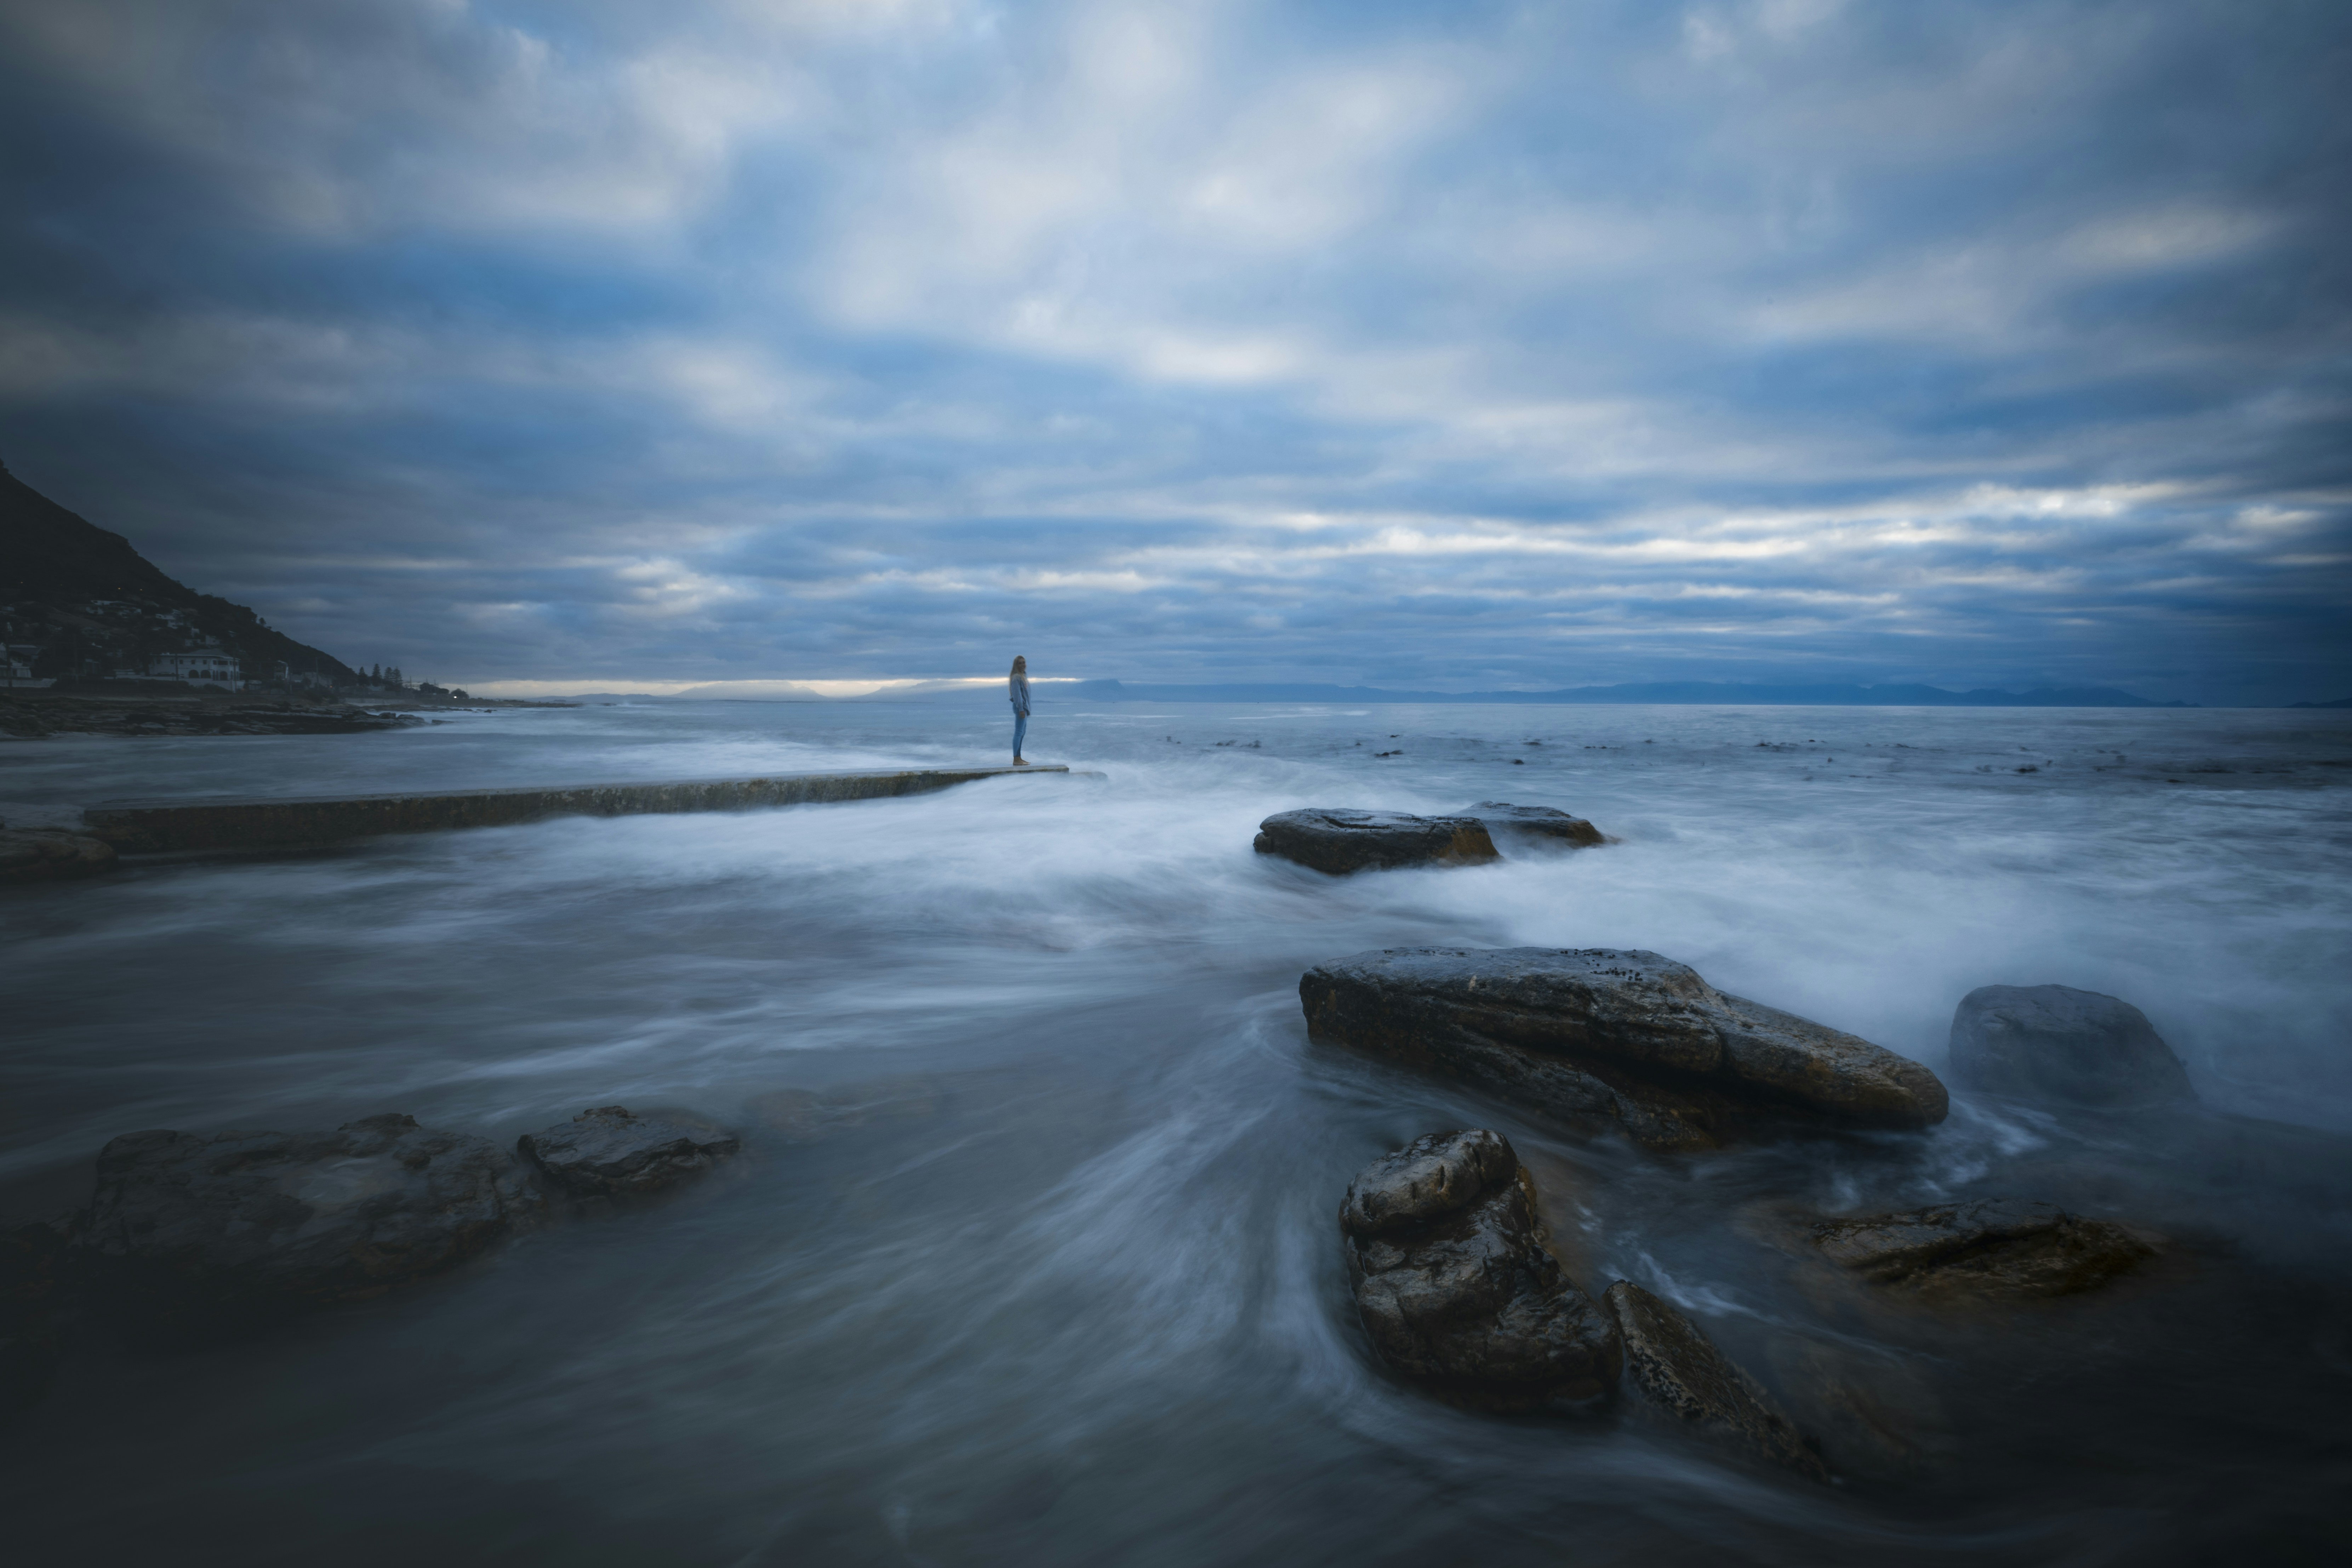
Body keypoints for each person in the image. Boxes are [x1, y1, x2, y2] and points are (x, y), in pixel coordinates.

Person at [1008, 655, 1032, 765]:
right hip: (1020, 709)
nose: (1023, 665)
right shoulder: (1016, 678)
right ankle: (1016, 759)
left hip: (1024, 708)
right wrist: (1021, 709)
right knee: (1018, 733)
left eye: (1024, 663)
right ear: (1016, 665)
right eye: (1020, 663)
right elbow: (1017, 695)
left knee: (1022, 733)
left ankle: (1019, 758)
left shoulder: (1023, 676)